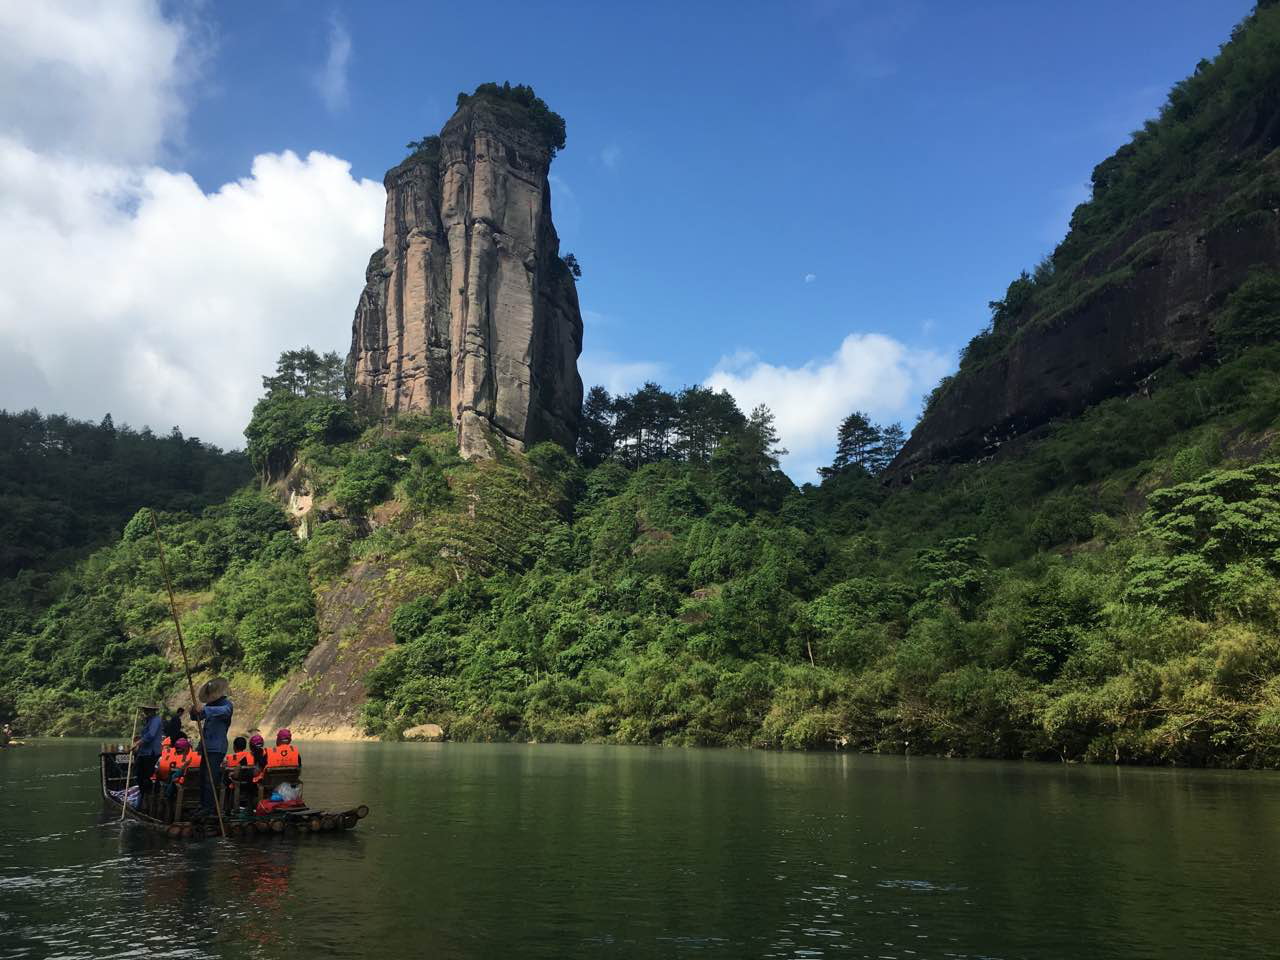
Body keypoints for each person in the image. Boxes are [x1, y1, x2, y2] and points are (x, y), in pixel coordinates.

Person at [188, 678, 233, 818]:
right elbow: (196, 717)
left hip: (216, 747)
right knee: (203, 777)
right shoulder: (210, 707)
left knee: (210, 778)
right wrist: (193, 710)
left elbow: (224, 711)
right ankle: (203, 805)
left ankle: (210, 808)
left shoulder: (226, 705)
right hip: (206, 747)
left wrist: (205, 709)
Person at [130, 704, 163, 800]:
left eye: (147, 710)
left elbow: (151, 735)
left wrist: (137, 743)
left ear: (153, 711)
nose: (145, 712)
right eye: (145, 710)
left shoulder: (156, 720)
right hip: (143, 752)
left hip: (151, 753)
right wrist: (138, 739)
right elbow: (145, 735)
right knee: (138, 774)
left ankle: (147, 798)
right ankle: (143, 794)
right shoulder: (148, 721)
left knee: (146, 777)